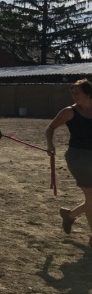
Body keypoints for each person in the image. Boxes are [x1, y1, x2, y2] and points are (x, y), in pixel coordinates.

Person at [46, 78, 92, 245]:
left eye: (77, 93)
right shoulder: (69, 112)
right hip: (78, 157)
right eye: (72, 93)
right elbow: (50, 128)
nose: (74, 96)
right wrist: (50, 145)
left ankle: (70, 215)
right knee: (91, 197)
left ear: (88, 93)